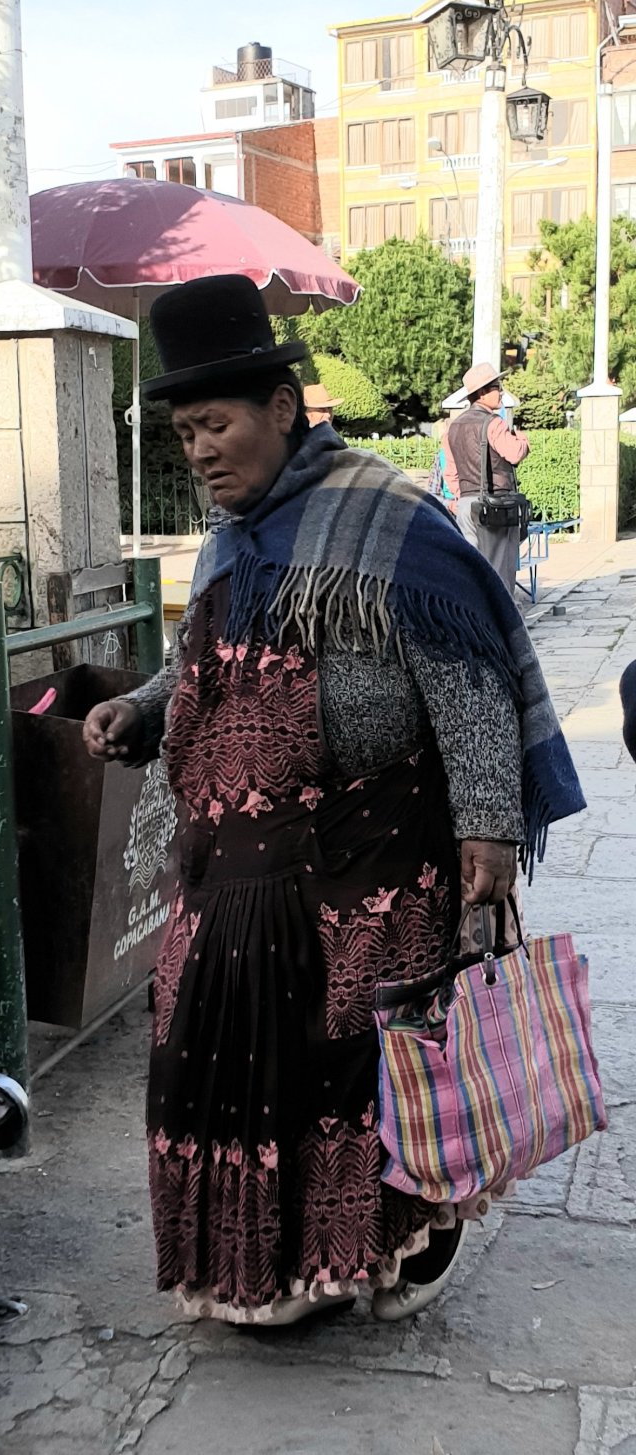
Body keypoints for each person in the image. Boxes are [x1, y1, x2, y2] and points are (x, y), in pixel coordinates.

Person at [83, 276, 584, 1328]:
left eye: (215, 425)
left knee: (364, 1071)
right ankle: (285, 1270)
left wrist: (489, 825)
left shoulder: (387, 518)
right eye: (184, 433)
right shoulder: (231, 536)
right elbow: (196, 663)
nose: (200, 451)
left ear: (280, 408)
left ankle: (412, 1235)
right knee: (242, 1067)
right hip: (238, 867)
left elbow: (467, 678)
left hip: (373, 857)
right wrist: (140, 708)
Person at [440, 362, 530, 593]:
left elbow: (450, 472)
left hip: (466, 506)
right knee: (499, 572)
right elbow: (514, 453)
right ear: (482, 393)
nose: (501, 392)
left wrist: (463, 498)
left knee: (473, 572)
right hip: (496, 507)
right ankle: (502, 615)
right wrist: (522, 440)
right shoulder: (493, 423)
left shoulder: (452, 428)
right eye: (497, 387)